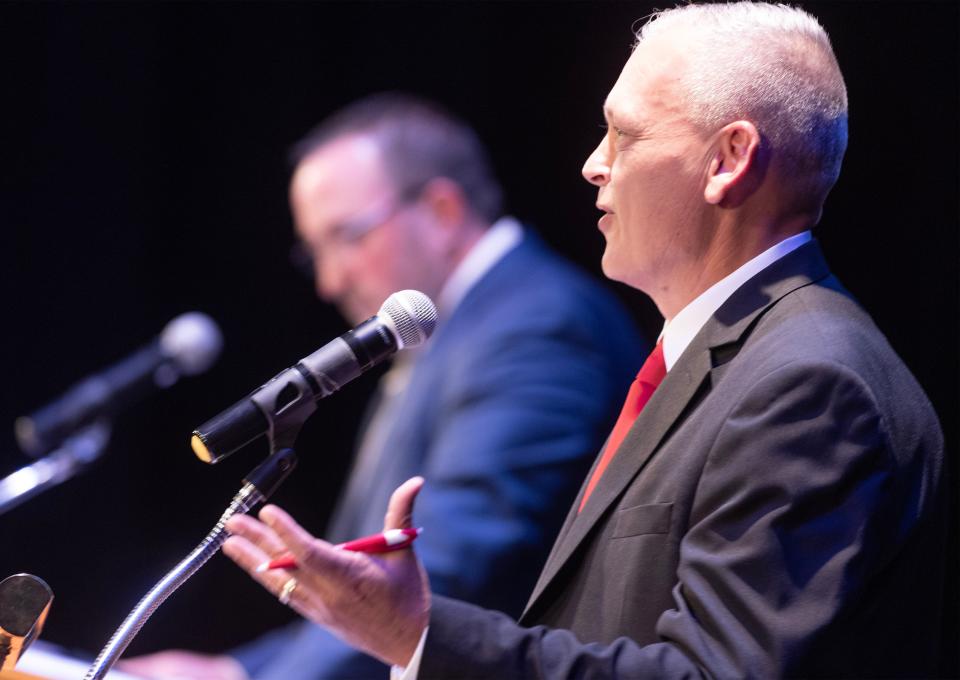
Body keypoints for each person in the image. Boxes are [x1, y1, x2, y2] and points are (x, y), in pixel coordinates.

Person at [220, 4, 946, 679]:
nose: (593, 164)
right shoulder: (726, 358)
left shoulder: (811, 384)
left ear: (728, 160)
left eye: (623, 135)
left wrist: (417, 631)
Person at [123, 94, 644, 679]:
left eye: (346, 236)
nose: (328, 280)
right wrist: (234, 670)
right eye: (314, 250)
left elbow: (446, 572)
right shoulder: (452, 330)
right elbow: (368, 592)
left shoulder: (536, 327)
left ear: (442, 210)